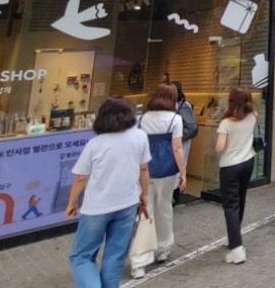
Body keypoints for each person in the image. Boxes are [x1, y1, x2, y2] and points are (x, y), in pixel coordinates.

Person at [66, 97, 151, 288]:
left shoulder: (96, 143)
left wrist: (72, 202)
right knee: (115, 255)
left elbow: (81, 177)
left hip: (97, 207)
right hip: (128, 203)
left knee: (81, 256)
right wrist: (145, 194)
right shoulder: (139, 137)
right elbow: (143, 169)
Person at [130, 84, 187, 278]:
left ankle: (139, 263)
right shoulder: (175, 119)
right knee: (165, 208)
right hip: (168, 169)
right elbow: (178, 148)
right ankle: (163, 248)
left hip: (145, 168)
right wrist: (183, 172)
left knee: (145, 212)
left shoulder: (143, 118)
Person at [215, 87, 258, 266]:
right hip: (248, 162)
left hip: (230, 166)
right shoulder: (253, 115)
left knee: (230, 205)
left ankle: (237, 249)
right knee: (240, 199)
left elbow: (219, 147)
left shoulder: (226, 123)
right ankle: (234, 236)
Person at [172, 81, 198, 205]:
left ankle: (176, 194)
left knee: (179, 165)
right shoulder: (177, 104)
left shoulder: (183, 105)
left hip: (181, 141)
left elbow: (191, 127)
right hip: (178, 141)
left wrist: (179, 136)